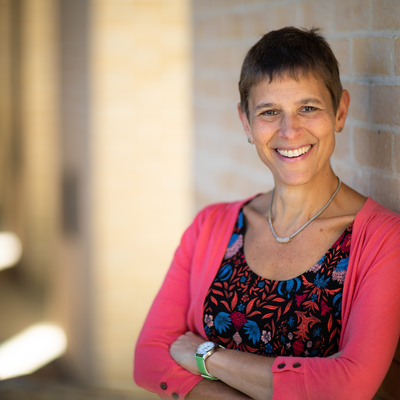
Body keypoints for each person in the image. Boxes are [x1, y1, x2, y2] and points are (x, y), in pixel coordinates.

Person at [134, 27, 400, 400]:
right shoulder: (210, 226)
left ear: (340, 111)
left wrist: (208, 358)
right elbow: (148, 359)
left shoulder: (384, 239)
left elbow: (349, 386)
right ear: (246, 122)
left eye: (308, 108)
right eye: (269, 112)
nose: (290, 131)